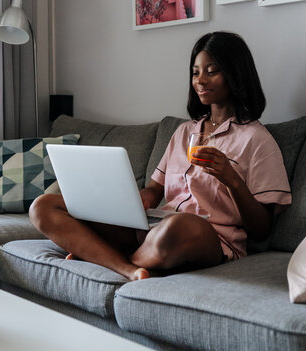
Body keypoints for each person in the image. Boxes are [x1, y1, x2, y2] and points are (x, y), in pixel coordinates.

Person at [29, 31, 291, 281]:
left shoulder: (257, 140)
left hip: (207, 237)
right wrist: (137, 200)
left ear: (235, 74)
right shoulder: (184, 131)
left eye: (212, 72)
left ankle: (100, 256)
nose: (200, 80)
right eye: (195, 72)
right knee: (43, 206)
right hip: (152, 227)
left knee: (180, 226)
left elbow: (262, 229)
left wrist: (231, 179)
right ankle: (128, 267)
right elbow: (155, 188)